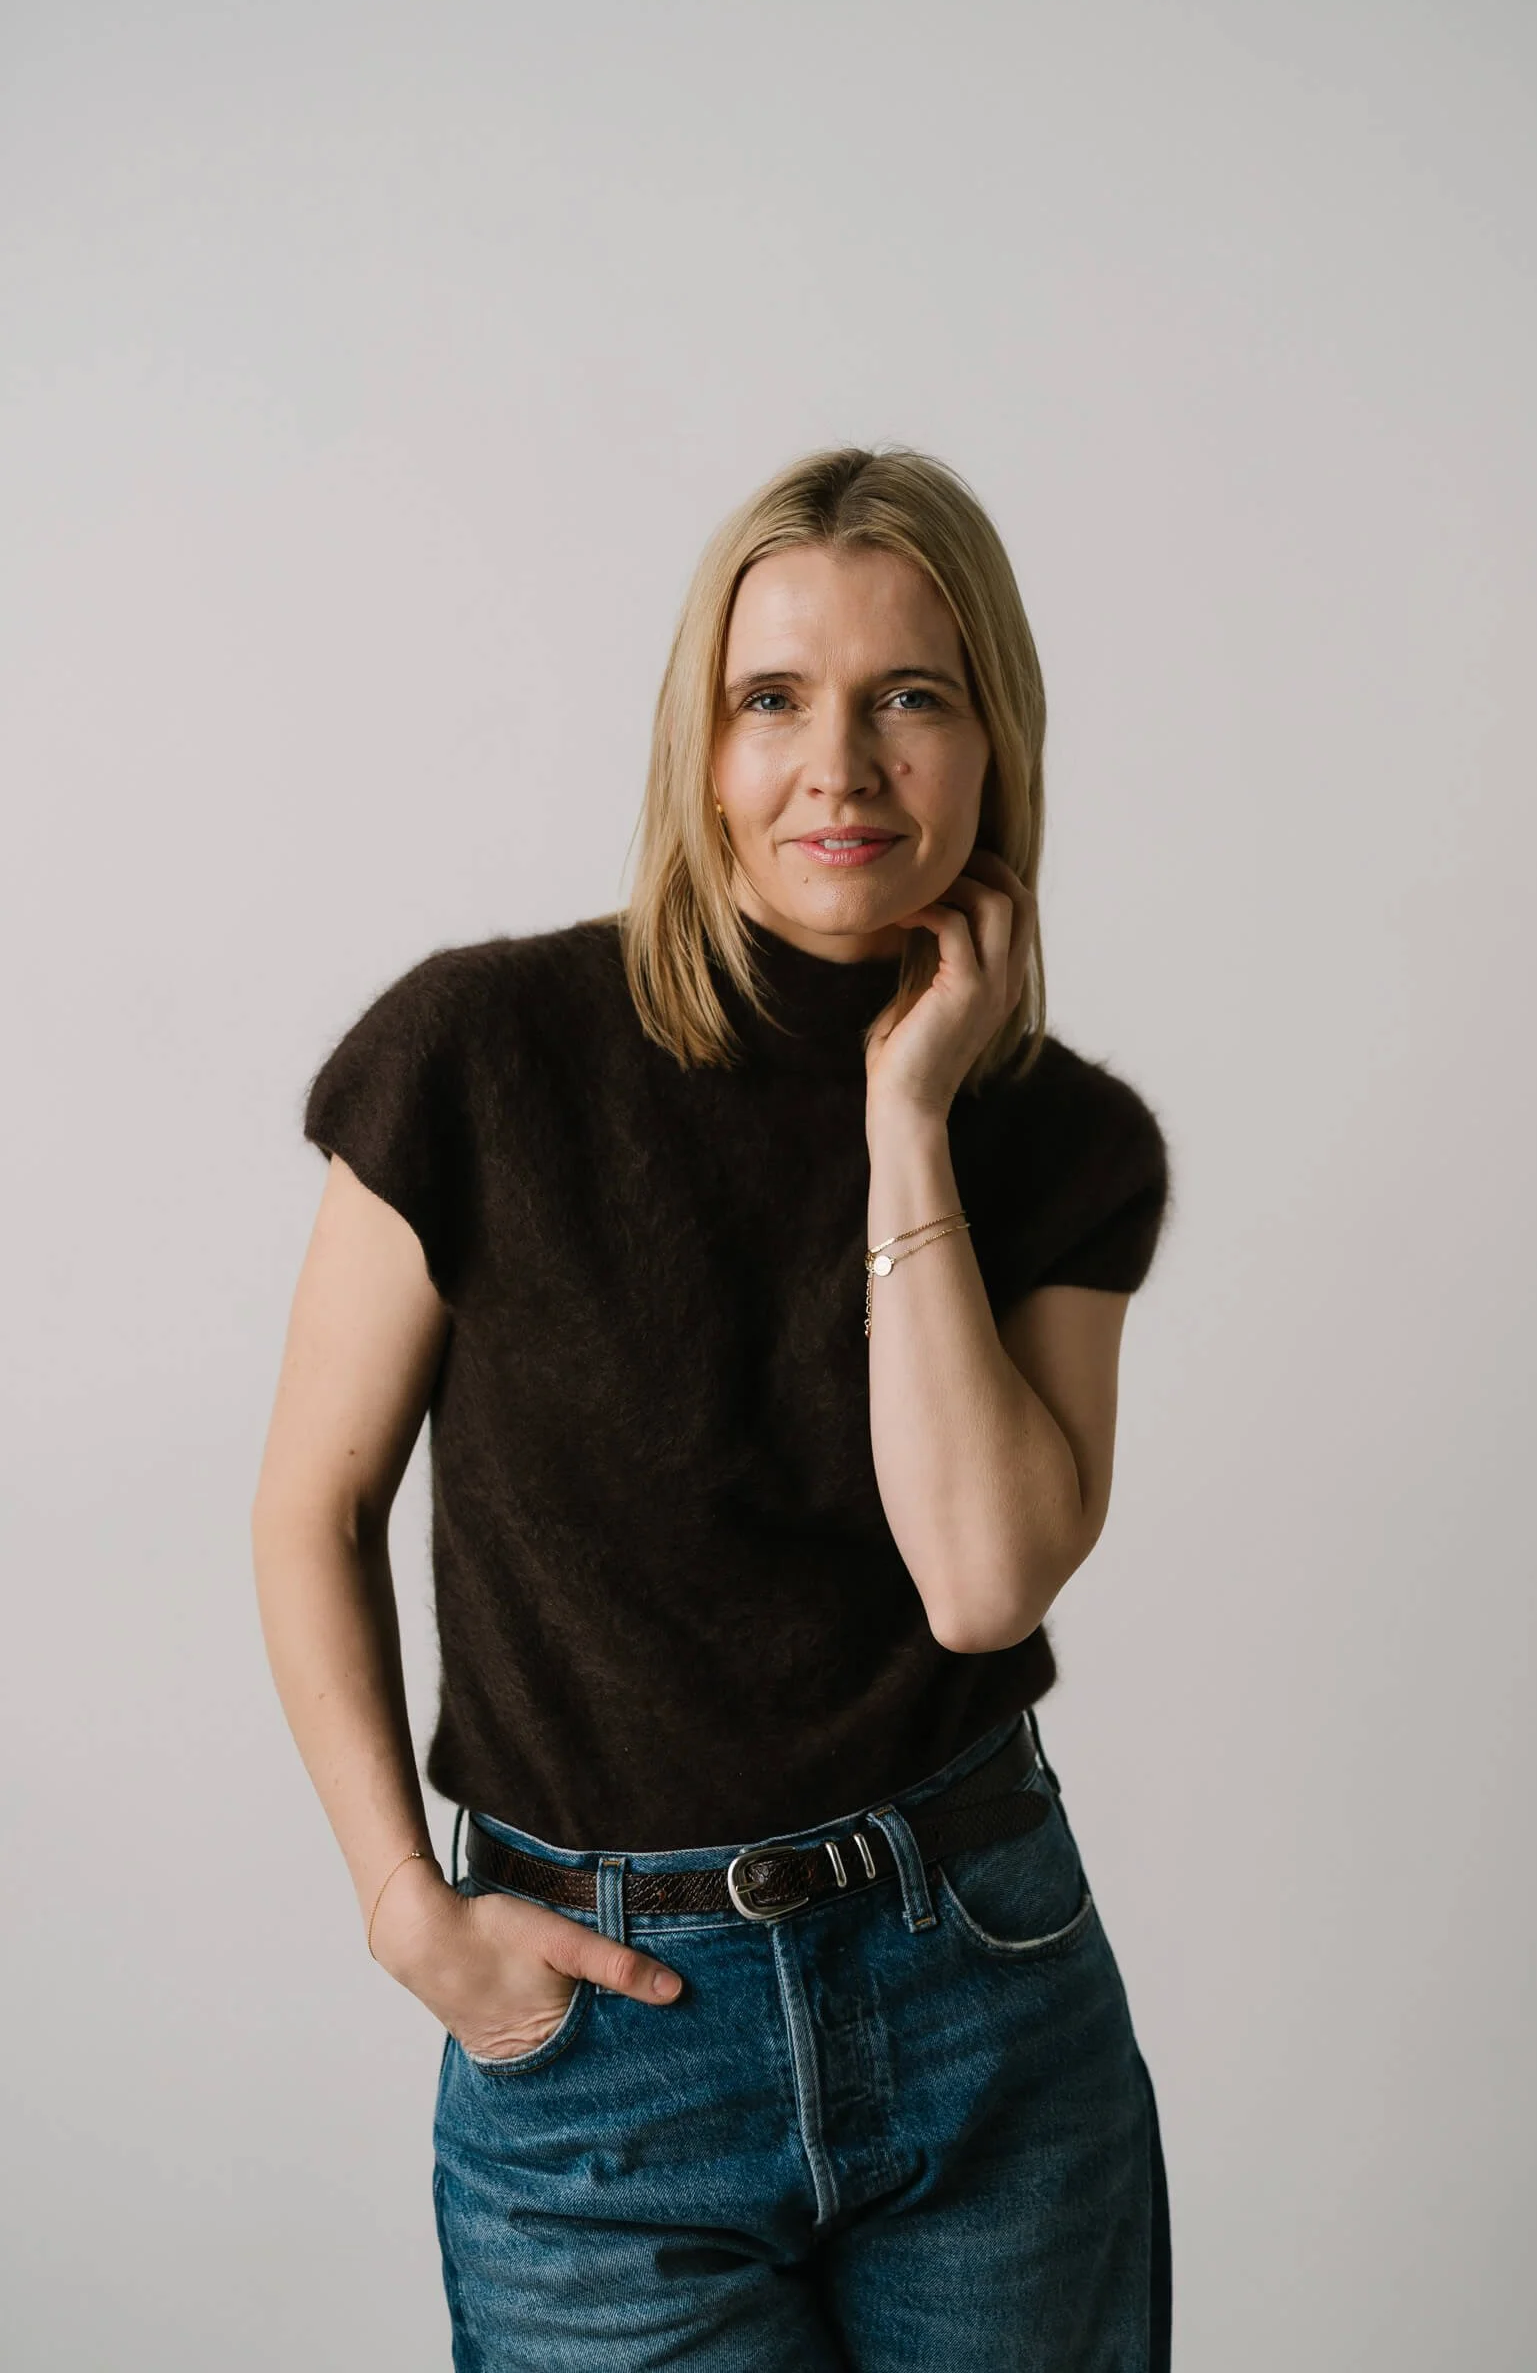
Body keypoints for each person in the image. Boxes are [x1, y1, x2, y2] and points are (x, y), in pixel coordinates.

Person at [251, 442, 1175, 2370]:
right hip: (603, 2055)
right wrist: (400, 1905)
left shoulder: (1062, 1146)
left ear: (992, 736)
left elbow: (985, 1585)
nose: (838, 767)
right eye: (775, 701)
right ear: (703, 737)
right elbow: (311, 1506)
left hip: (981, 1998)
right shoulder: (478, 1060)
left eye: (908, 698)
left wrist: (907, 1115)